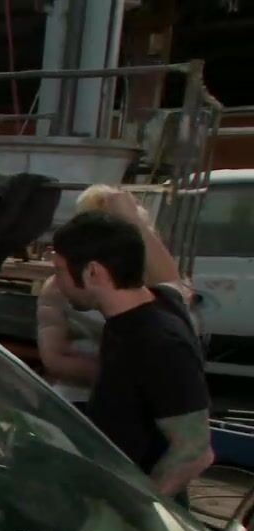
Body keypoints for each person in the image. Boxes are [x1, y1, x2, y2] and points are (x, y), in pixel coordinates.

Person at [50, 210, 213, 507]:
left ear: (93, 272)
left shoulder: (158, 342)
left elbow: (195, 452)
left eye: (59, 271)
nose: (57, 283)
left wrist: (140, 512)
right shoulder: (157, 302)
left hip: (133, 514)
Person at [37, 187, 186, 409]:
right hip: (78, 401)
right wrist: (122, 377)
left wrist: (135, 221)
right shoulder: (59, 287)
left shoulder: (148, 288)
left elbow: (172, 283)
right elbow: (54, 359)